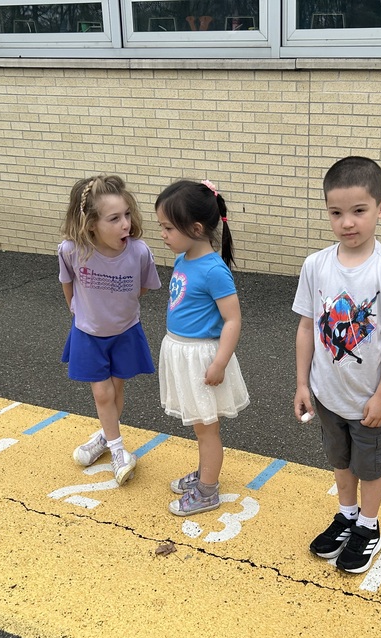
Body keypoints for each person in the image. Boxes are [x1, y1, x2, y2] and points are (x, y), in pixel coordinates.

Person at [293, 156, 381, 574]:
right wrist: (302, 384)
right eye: (336, 213)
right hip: (327, 394)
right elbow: (307, 327)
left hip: (370, 401)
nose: (347, 222)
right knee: (340, 459)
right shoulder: (316, 265)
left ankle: (368, 524)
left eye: (359, 211)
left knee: (371, 465)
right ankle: (347, 513)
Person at [58, 174, 161, 484]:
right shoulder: (71, 250)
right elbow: (68, 285)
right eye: (114, 218)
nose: (125, 224)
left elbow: (142, 288)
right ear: (91, 223)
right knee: (103, 394)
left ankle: (104, 437)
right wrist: (81, 311)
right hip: (88, 333)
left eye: (127, 214)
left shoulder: (139, 252)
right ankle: (118, 451)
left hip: (125, 331)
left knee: (116, 391)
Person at [156, 179, 249, 516]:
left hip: (201, 358)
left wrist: (220, 362)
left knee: (207, 429)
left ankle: (208, 490)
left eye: (168, 227)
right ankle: (204, 475)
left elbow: (233, 320)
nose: (163, 234)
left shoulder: (213, 270)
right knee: (200, 426)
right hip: (181, 352)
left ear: (195, 228)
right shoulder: (184, 257)